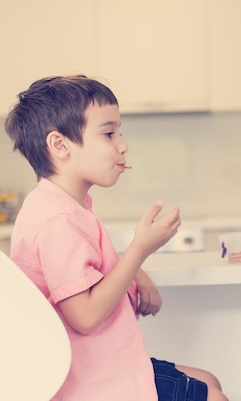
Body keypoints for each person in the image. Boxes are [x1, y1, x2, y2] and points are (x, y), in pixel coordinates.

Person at [4, 75, 228, 401]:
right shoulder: (58, 219)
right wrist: (139, 251)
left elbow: (90, 266)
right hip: (88, 381)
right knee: (215, 396)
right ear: (59, 145)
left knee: (209, 380)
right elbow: (85, 316)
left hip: (101, 365)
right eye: (109, 134)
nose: (122, 145)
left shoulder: (63, 206)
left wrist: (134, 270)